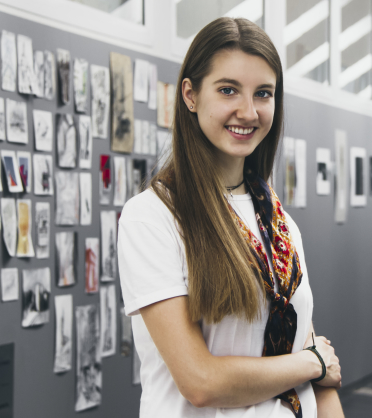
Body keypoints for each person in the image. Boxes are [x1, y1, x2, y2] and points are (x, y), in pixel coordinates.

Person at [117, 18, 343, 418]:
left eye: (263, 93)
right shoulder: (152, 218)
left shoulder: (279, 222)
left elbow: (318, 372)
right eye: (228, 90)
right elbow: (201, 382)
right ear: (190, 94)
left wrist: (316, 366)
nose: (249, 111)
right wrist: (312, 363)